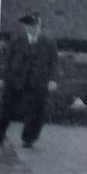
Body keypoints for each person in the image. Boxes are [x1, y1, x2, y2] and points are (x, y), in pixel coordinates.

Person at [0, 12, 58, 148]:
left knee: (38, 111)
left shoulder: (49, 41)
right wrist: (3, 78)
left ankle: (29, 138)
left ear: (39, 25)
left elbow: (54, 62)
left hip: (38, 81)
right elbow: (8, 60)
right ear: (25, 27)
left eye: (35, 26)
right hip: (16, 79)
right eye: (29, 26)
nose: (33, 29)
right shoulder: (17, 39)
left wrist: (52, 79)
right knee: (5, 109)